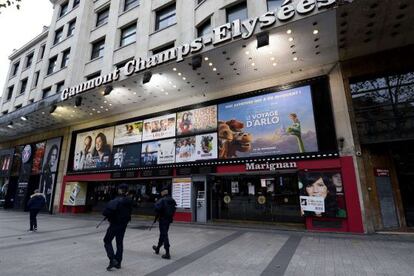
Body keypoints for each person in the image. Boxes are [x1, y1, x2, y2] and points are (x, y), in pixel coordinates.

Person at [102, 183, 133, 271]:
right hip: (123, 225)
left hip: (114, 224)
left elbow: (105, 212)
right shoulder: (129, 200)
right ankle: (118, 262)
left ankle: (112, 259)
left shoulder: (116, 200)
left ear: (120, 190)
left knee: (107, 240)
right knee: (119, 243)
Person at [152, 187, 177, 260]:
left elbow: (156, 209)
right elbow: (174, 208)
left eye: (161, 192)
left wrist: (156, 202)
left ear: (163, 192)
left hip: (163, 220)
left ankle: (167, 253)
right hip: (169, 220)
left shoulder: (162, 200)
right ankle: (157, 248)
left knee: (164, 234)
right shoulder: (172, 200)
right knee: (163, 234)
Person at [39, 144, 59, 211]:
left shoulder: (49, 169)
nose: (54, 158)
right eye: (52, 155)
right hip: (45, 200)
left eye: (55, 155)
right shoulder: (46, 168)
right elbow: (43, 185)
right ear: (49, 155)